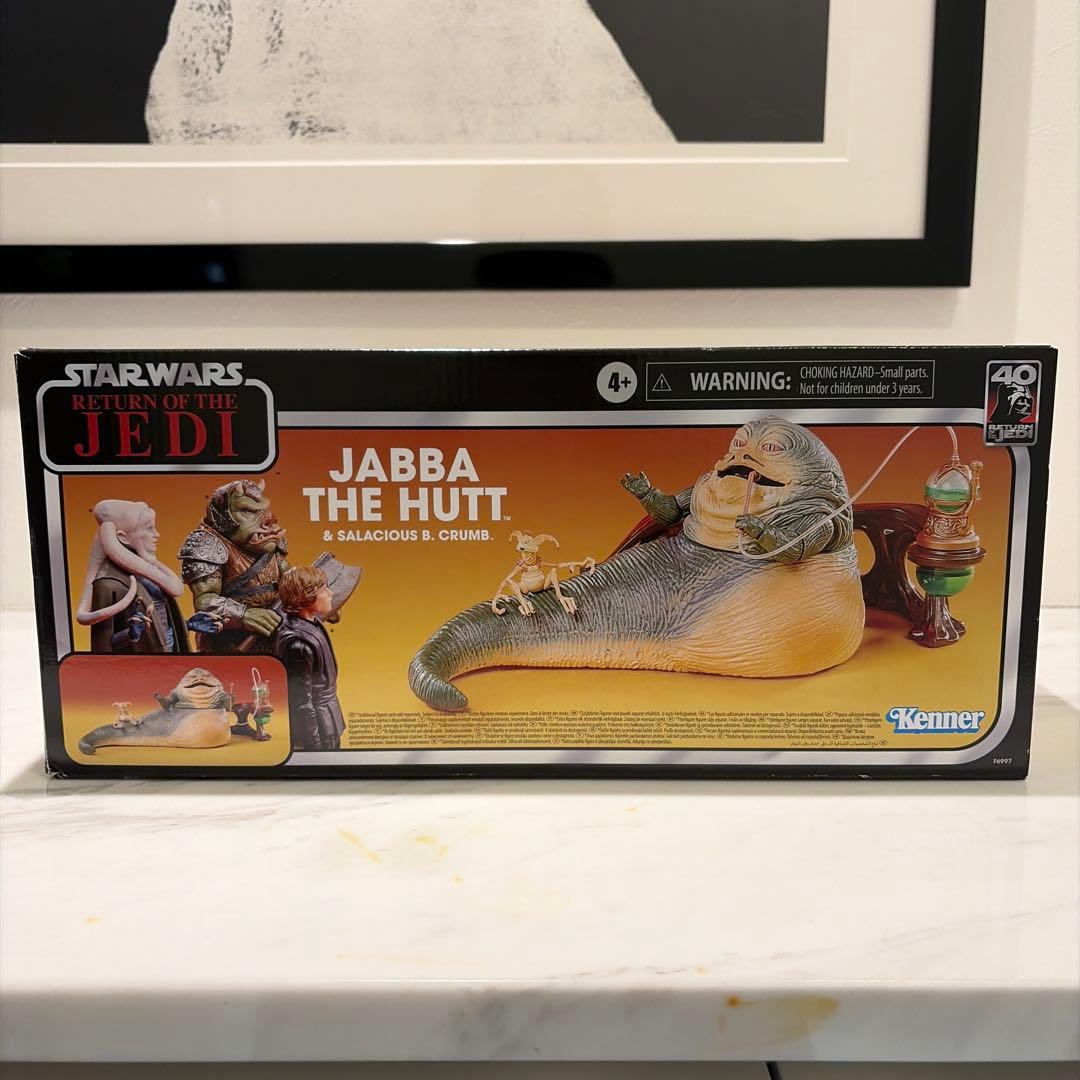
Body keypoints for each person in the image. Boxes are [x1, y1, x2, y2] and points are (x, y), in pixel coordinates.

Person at [274, 566, 345, 752]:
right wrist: (312, 742)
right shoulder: (298, 644)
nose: (330, 593)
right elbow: (301, 701)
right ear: (305, 596)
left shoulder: (313, 623)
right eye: (323, 590)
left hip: (328, 716)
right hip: (317, 726)